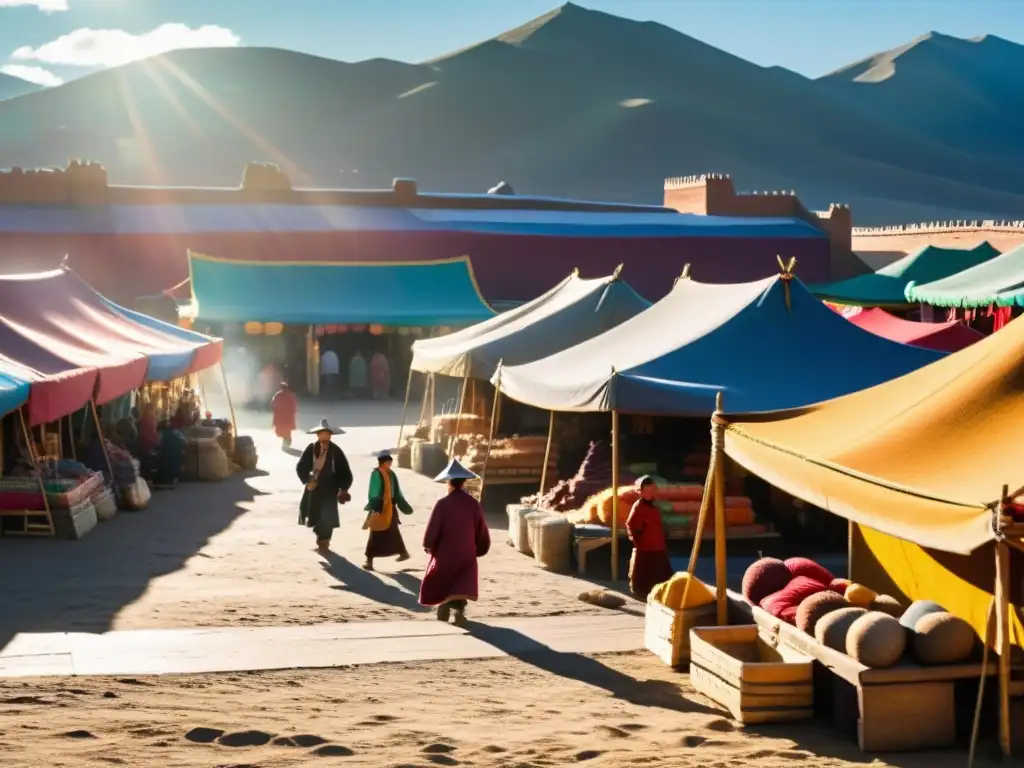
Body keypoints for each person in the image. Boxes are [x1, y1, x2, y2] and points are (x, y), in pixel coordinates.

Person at [418, 459, 491, 626]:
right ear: (464, 482)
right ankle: (459, 612)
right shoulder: (473, 504)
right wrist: (479, 547)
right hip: (466, 551)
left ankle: (444, 603)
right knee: (462, 582)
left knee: (443, 577)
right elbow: (481, 529)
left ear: (448, 483)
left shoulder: (442, 503)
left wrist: (428, 544)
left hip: (445, 551)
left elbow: (433, 527)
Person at [296, 419, 353, 553]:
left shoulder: (335, 451)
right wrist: (307, 480)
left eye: (326, 433)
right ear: (317, 435)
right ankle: (320, 538)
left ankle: (324, 542)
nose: (323, 436)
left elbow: (345, 471)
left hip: (330, 488)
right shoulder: (311, 449)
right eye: (321, 433)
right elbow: (301, 467)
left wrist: (343, 488)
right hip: (314, 488)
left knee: (327, 516)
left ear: (330, 435)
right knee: (314, 514)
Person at [362, 450, 413, 570]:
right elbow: (373, 492)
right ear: (382, 463)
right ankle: (369, 561)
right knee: (375, 533)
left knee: (394, 531)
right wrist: (375, 507)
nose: (390, 464)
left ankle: (403, 553)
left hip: (390, 509)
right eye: (388, 462)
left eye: (390, 462)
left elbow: (397, 491)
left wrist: (403, 505)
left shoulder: (391, 474)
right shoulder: (376, 474)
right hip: (379, 508)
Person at [625, 475, 674, 599]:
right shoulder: (639, 506)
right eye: (647, 490)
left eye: (652, 490)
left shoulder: (653, 507)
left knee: (662, 573)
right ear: (640, 491)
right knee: (645, 575)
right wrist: (638, 541)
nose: (650, 493)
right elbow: (631, 524)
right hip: (646, 547)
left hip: (658, 545)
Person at [271, 381, 298, 449]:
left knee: (281, 431)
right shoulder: (290, 395)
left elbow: (274, 405)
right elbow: (294, 406)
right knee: (286, 431)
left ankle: (286, 442)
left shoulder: (278, 395)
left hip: (280, 417)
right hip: (287, 417)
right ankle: (286, 442)